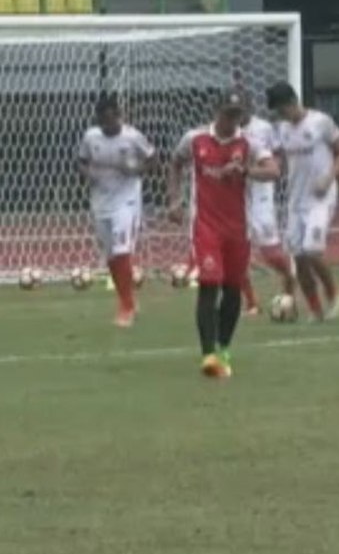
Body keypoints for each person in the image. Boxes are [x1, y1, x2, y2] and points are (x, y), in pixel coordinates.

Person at [168, 91, 279, 378]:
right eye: (228, 113)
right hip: (205, 225)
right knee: (209, 283)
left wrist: (245, 171)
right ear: (216, 111)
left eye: (237, 114)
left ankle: (224, 347)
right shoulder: (194, 139)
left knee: (232, 289)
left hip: (238, 228)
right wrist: (174, 199)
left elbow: (274, 170)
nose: (232, 119)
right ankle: (208, 356)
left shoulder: (249, 143)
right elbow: (175, 163)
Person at [266, 82, 339, 323]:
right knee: (299, 258)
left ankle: (333, 292)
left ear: (292, 102)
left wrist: (329, 178)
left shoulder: (320, 122)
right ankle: (315, 310)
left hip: (321, 196)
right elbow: (279, 160)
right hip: (295, 198)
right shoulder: (281, 130)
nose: (281, 115)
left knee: (313, 251)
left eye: (282, 109)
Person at [77, 95, 154, 327]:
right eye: (103, 121)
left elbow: (153, 159)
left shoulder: (132, 137)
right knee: (110, 255)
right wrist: (88, 174)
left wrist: (136, 169)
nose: (107, 125)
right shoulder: (91, 137)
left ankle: (127, 307)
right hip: (100, 200)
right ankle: (126, 298)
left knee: (122, 250)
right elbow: (81, 160)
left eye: (111, 120)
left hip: (127, 200)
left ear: (118, 116)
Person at [238, 96, 295, 316]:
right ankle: (251, 303)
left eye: (241, 108)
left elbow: (278, 153)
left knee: (270, 252)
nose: (238, 114)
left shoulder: (263, 128)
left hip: (261, 192)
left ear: (249, 108)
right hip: (235, 195)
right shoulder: (224, 131)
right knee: (237, 252)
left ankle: (289, 283)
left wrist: (271, 169)